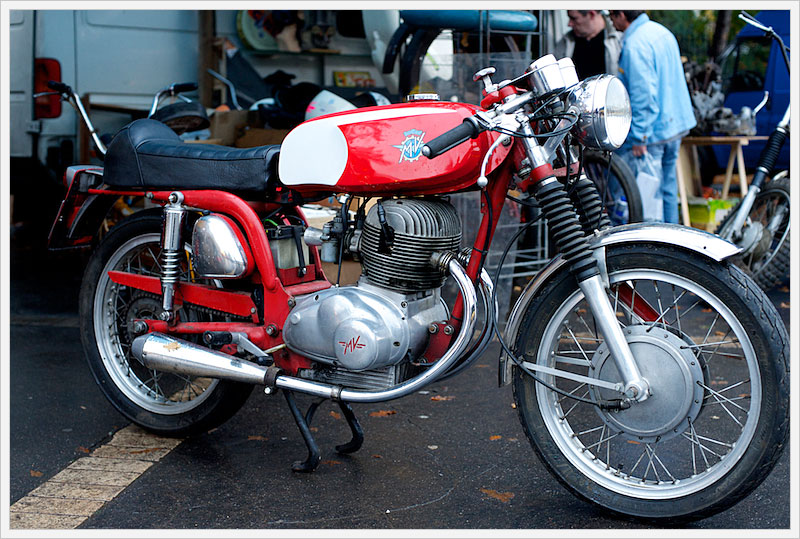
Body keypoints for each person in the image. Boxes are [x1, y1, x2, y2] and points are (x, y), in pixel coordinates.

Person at [609, 10, 696, 223]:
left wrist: (640, 136)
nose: (610, 21)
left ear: (622, 14)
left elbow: (644, 95)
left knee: (644, 197)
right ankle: (671, 240)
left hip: (651, 133)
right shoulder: (660, 32)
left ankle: (646, 241)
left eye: (611, 15)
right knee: (666, 192)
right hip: (673, 127)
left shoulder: (635, 44)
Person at [554, 10, 621, 79]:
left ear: (591, 14)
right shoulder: (565, 42)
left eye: (574, 18)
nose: (569, 24)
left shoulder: (619, 39)